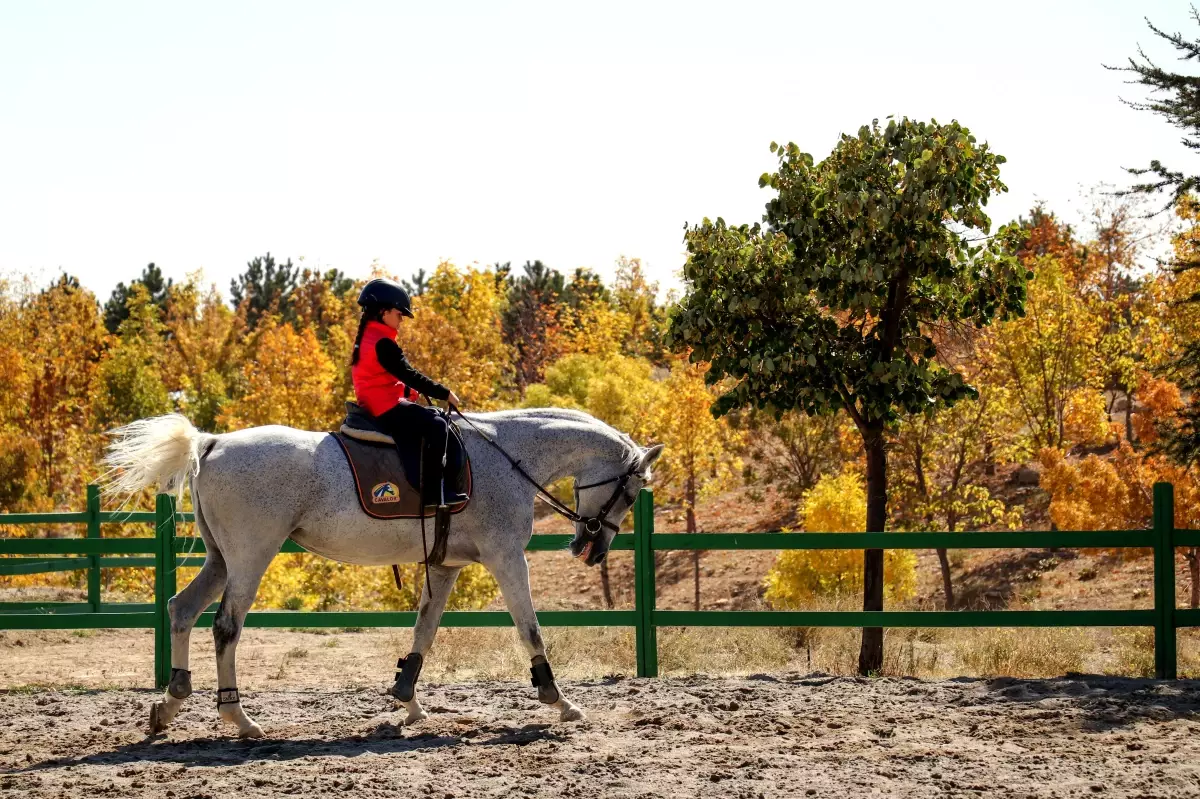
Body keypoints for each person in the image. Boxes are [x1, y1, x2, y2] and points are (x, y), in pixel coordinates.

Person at [351, 278, 467, 505]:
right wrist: (445, 393)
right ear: (384, 313)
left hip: (376, 402)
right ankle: (434, 492)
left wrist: (408, 391)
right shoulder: (383, 342)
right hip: (385, 407)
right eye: (399, 314)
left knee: (432, 416)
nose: (401, 320)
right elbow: (409, 373)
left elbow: (378, 376)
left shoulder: (369, 337)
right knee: (438, 424)